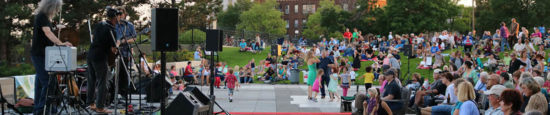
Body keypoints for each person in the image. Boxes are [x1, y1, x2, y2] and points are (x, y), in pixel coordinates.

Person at [31, 0, 72, 114]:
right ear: (51, 7)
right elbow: (47, 32)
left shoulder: (45, 19)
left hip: (45, 55)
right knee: (49, 82)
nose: (57, 11)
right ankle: (43, 109)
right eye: (56, 8)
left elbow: (48, 31)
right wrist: (60, 43)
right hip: (39, 55)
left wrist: (57, 28)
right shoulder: (41, 17)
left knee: (40, 83)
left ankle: (40, 109)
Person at [86, 7, 120, 114]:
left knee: (91, 80)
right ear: (114, 18)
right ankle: (100, 107)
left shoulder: (100, 24)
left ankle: (91, 103)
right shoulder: (112, 30)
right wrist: (117, 47)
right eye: (117, 17)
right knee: (102, 82)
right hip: (100, 57)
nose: (118, 19)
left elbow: (93, 37)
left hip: (91, 54)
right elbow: (113, 49)